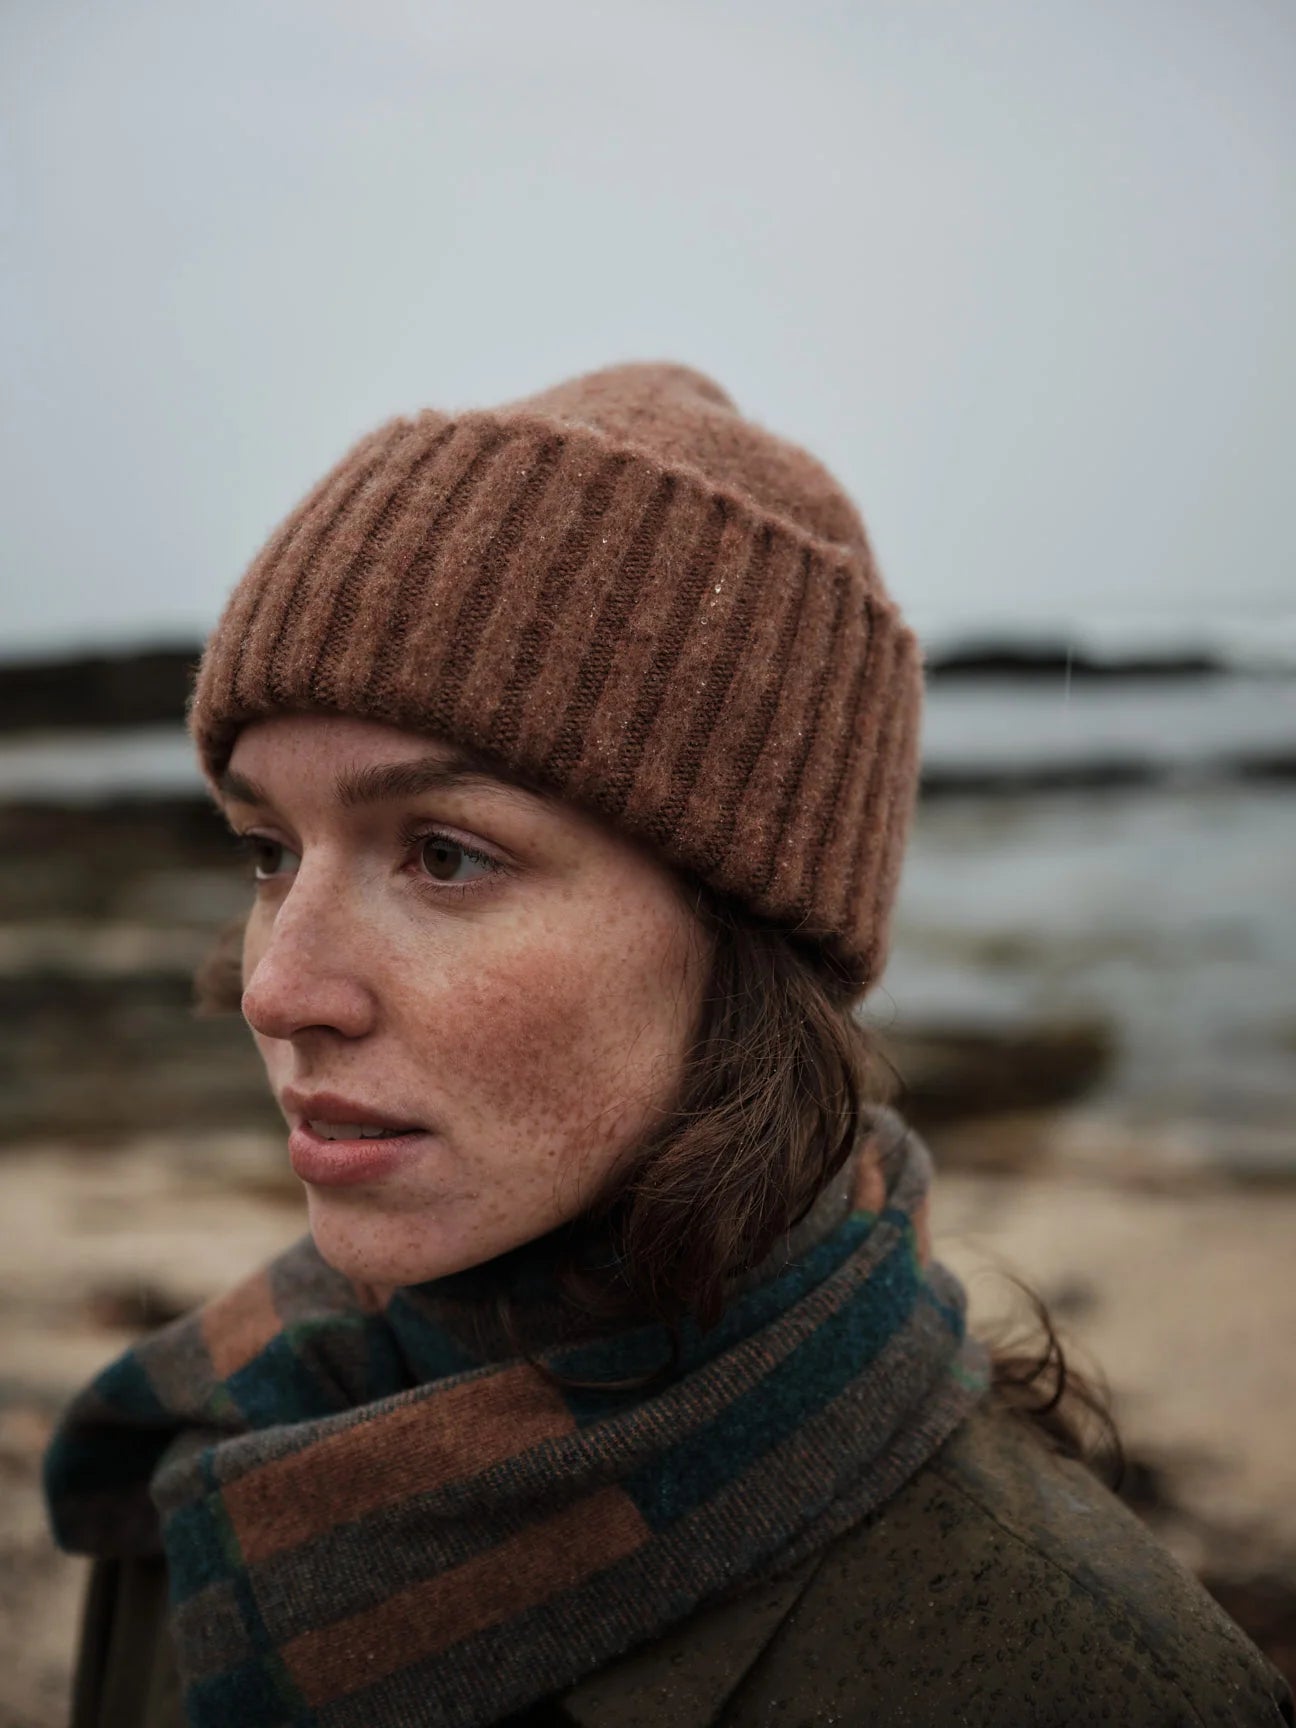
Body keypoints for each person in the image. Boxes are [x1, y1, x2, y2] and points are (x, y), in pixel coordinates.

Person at [44, 364, 1290, 1727]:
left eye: (446, 856)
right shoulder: (209, 1456)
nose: (275, 989)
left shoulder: (1070, 1681)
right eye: (269, 851)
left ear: (747, 933)